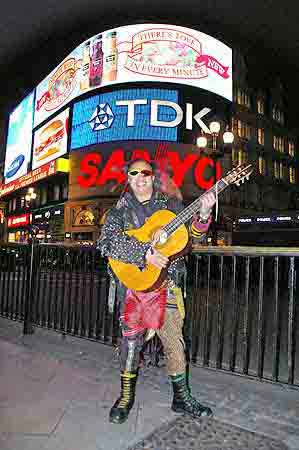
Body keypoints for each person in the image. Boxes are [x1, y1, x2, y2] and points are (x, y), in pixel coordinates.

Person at [98, 158, 216, 424]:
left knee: (175, 341)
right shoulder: (118, 213)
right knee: (130, 344)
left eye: (146, 172)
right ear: (128, 178)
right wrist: (145, 254)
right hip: (134, 286)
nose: (140, 177)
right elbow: (108, 244)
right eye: (134, 173)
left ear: (153, 177)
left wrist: (205, 215)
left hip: (167, 282)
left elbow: (191, 237)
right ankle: (125, 397)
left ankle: (181, 398)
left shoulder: (171, 207)